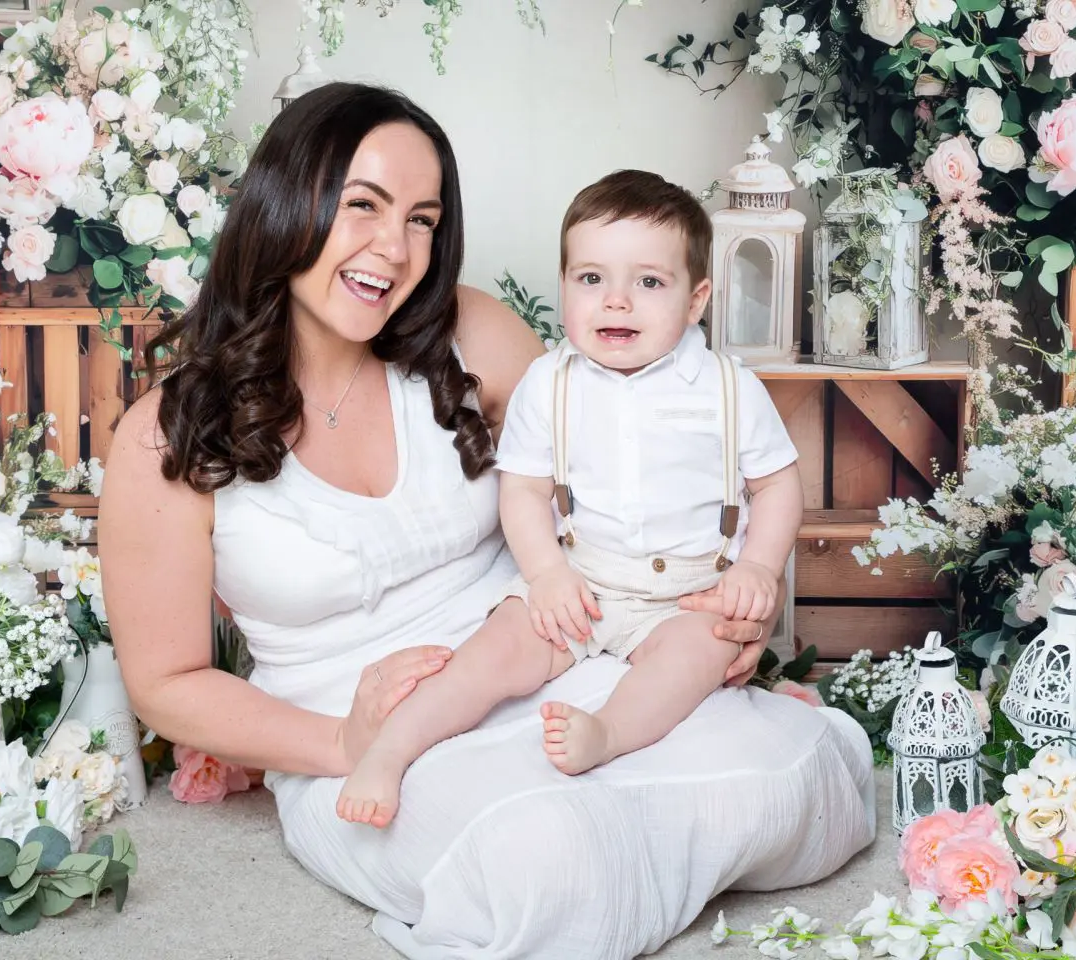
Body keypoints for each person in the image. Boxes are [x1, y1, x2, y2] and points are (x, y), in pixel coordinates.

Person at [100, 81, 876, 960]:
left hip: (546, 652)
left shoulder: (469, 331)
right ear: (284, 202)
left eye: (423, 219)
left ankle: (644, 823)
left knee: (803, 775)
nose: (394, 249)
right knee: (549, 866)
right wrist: (344, 741)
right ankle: (604, 849)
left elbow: (621, 461)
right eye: (364, 206)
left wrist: (717, 601)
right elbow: (164, 683)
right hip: (363, 740)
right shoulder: (167, 434)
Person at [337, 170, 804, 829]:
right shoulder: (548, 383)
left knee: (697, 654)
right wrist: (548, 575)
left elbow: (778, 483)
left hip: (687, 596)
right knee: (494, 650)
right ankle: (388, 751)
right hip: (582, 582)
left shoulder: (727, 388)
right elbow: (523, 492)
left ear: (696, 299)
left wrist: (758, 567)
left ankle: (606, 733)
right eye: (591, 280)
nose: (616, 302)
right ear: (564, 287)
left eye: (648, 282)